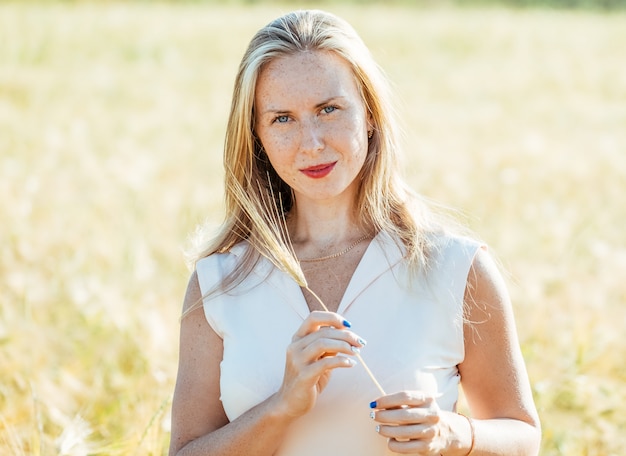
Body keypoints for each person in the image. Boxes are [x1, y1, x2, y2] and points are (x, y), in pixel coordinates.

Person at [169, 9, 541, 456]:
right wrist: (282, 407)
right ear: (257, 136)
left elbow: (523, 435)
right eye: (282, 119)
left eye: (329, 109)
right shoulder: (220, 281)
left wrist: (453, 434)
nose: (311, 142)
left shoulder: (455, 268)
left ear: (369, 114)